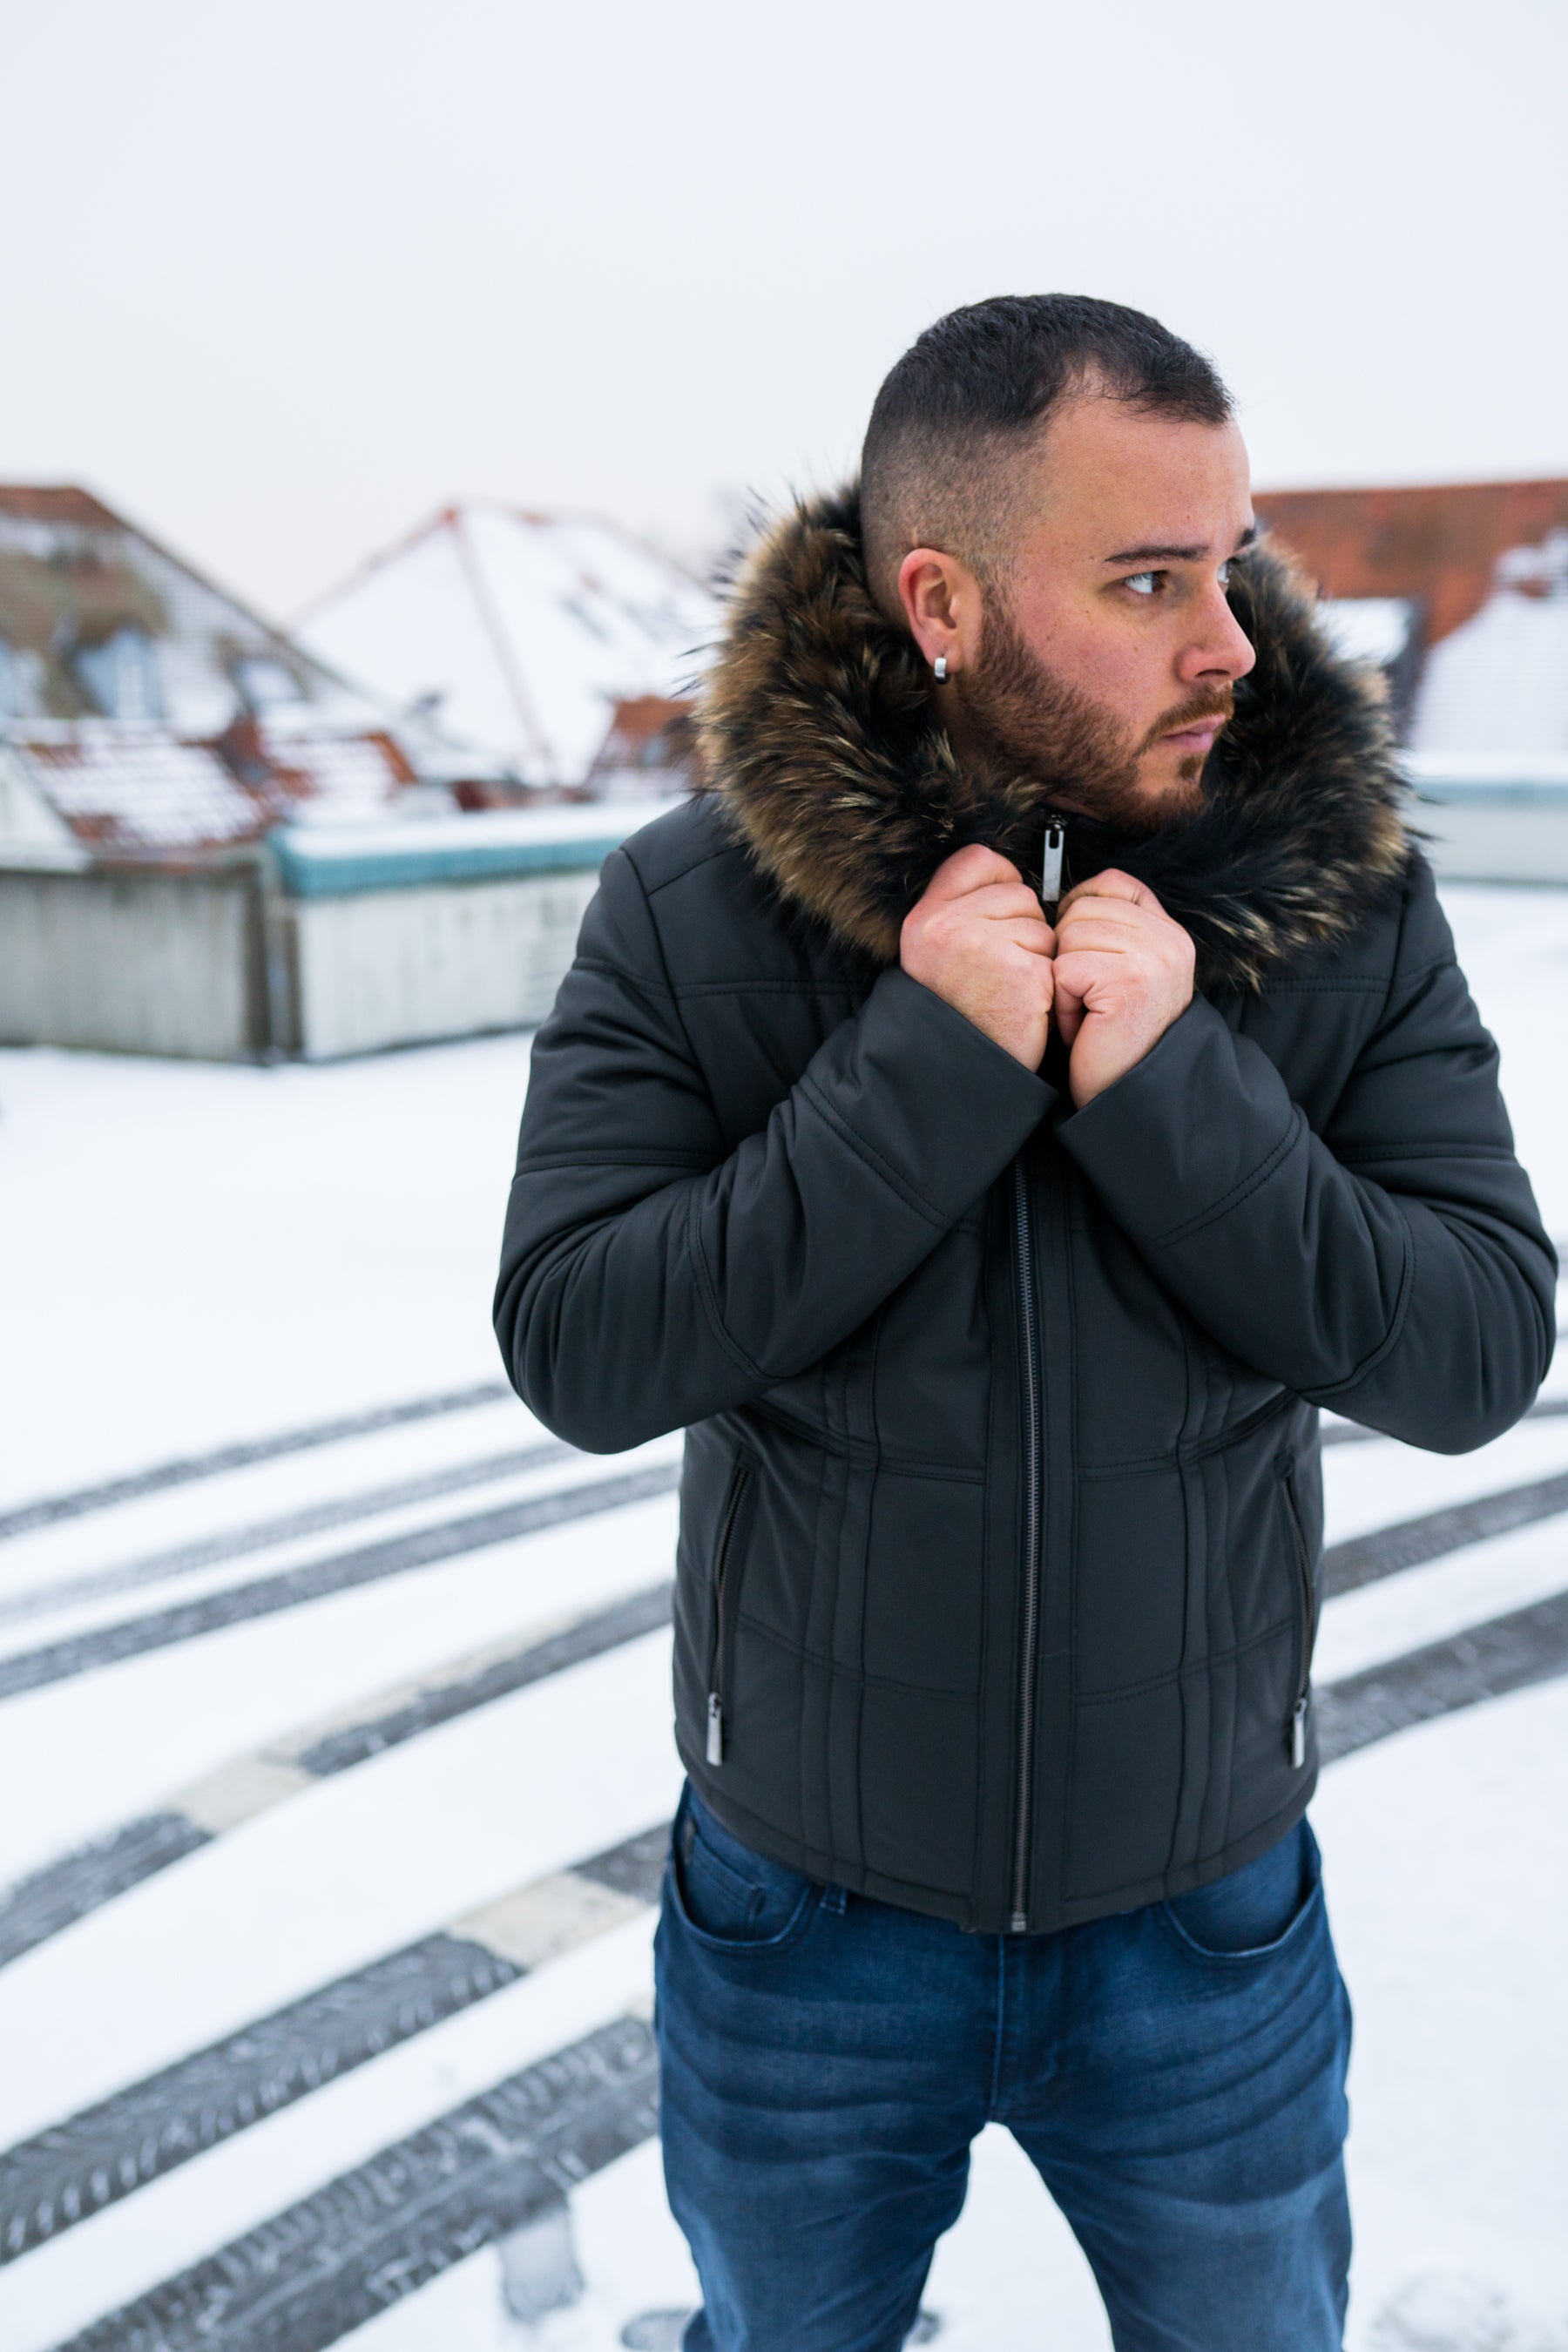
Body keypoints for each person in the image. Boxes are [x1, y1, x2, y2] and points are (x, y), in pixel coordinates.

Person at [493, 295, 1554, 2351]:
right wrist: (926, 1072)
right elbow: (581, 1346)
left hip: (1206, 1926)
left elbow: (1475, 1348)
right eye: (1149, 580)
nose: (1229, 637)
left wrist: (1172, 1083)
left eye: (1228, 565)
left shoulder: (1343, 901)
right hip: (803, 1921)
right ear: (945, 602)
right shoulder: (694, 911)